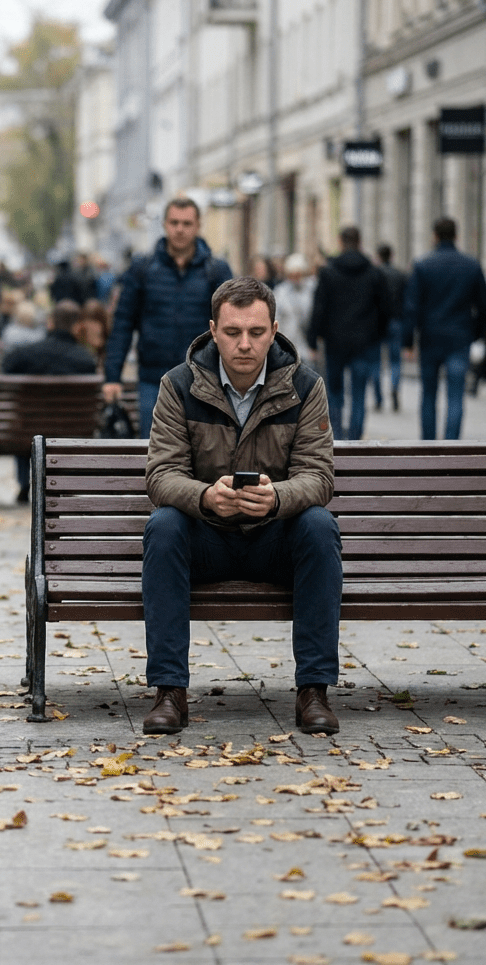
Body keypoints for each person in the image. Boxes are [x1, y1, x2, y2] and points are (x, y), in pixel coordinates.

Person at [141, 276, 340, 736]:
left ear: (273, 329)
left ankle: (314, 690)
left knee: (319, 525)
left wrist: (277, 498)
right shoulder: (180, 385)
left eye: (255, 332)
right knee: (164, 525)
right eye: (232, 333)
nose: (244, 344)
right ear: (213, 330)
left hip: (274, 539)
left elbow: (319, 476)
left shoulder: (306, 387)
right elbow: (161, 475)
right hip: (208, 538)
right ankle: (170, 691)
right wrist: (205, 496)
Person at [103, 197, 232, 436]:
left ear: (197, 225)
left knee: (204, 455)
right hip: (154, 378)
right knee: (153, 453)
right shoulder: (143, 269)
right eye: (174, 222)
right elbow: (123, 323)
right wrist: (113, 376)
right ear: (164, 224)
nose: (180, 229)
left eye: (186, 223)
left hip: (203, 379)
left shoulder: (216, 270)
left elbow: (230, 326)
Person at [2, 299, 97, 503]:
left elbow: (6, 366)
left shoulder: (25, 354)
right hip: (72, 431)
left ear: (51, 323)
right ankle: (62, 483)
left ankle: (24, 482)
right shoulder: (85, 360)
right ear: (76, 326)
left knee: (26, 422)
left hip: (27, 431)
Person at [403, 217, 486, 440]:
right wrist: (476, 334)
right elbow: (482, 306)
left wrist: (409, 341)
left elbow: (412, 307)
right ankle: (452, 445)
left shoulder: (422, 265)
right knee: (456, 395)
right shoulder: (471, 265)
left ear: (435, 236)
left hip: (430, 337)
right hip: (460, 337)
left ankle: (428, 446)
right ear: (456, 236)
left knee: (429, 394)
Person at [306, 226, 390, 440]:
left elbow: (319, 307)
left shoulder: (328, 272)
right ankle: (355, 438)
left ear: (341, 242)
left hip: (335, 342)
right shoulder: (374, 272)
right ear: (360, 241)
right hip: (364, 342)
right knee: (359, 393)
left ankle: (337, 438)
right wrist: (378, 335)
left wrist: (313, 339)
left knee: (334, 392)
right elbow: (385, 309)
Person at [372, 243, 408, 413]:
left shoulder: (375, 275)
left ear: (379, 256)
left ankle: (378, 397)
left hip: (378, 322)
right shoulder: (401, 275)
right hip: (397, 321)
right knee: (395, 361)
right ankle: (394, 387)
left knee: (376, 361)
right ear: (391, 256)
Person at [272, 253, 316, 364]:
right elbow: (276, 317)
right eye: (292, 274)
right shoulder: (280, 292)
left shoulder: (313, 290)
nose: (295, 278)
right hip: (288, 343)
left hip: (308, 345)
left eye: (298, 274)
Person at [73, 297, 110, 367]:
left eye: (95, 320)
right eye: (89, 320)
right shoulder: (76, 344)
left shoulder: (109, 346)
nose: (92, 326)